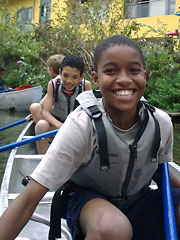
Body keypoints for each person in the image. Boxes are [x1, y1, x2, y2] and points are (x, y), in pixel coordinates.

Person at [0, 35, 180, 240]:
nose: (123, 79)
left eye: (134, 70)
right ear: (95, 79)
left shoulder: (160, 122)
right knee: (114, 228)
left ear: (145, 76)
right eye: (111, 71)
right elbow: (28, 201)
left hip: (139, 200)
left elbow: (160, 171)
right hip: (87, 203)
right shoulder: (81, 126)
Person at [35, 54, 92, 154]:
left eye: (74, 77)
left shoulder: (86, 86)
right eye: (65, 75)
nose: (69, 81)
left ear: (81, 77)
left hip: (76, 128)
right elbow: (45, 113)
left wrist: (74, 126)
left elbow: (91, 112)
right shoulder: (53, 84)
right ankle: (43, 158)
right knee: (41, 125)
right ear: (60, 73)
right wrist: (60, 125)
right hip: (57, 126)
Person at [29, 54, 65, 124]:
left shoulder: (54, 83)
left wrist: (34, 113)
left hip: (56, 115)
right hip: (59, 115)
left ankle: (44, 130)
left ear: (51, 69)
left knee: (34, 107)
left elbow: (42, 103)